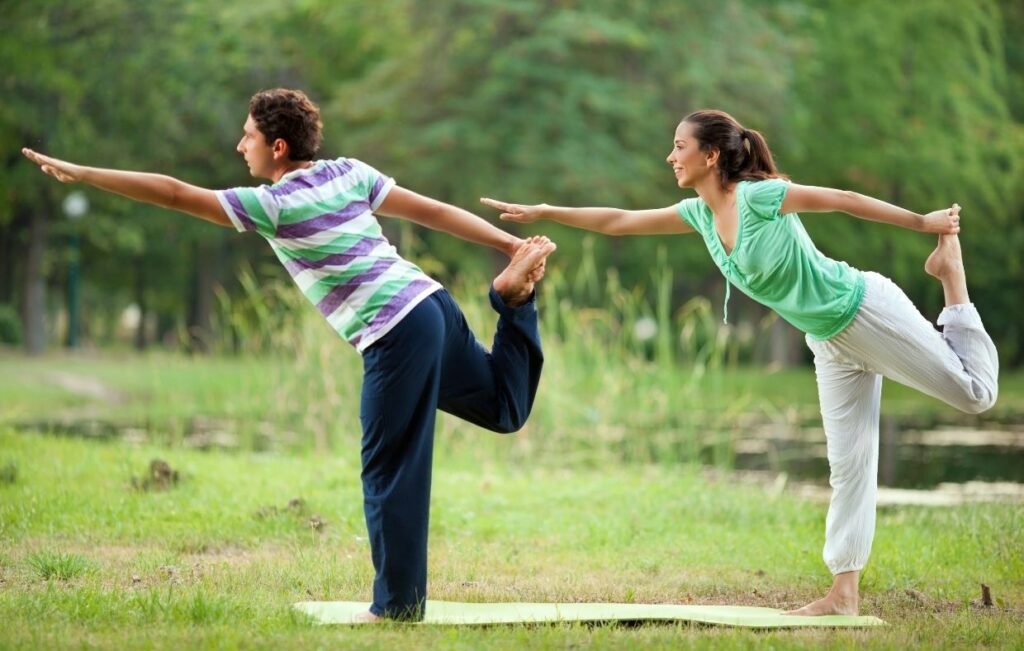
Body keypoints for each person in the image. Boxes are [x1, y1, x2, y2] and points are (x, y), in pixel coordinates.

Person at [23, 88, 557, 622]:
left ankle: (396, 609)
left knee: (389, 467)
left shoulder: (272, 205)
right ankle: (515, 301)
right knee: (500, 407)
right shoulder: (348, 172)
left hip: (394, 331)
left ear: (277, 147)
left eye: (248, 136)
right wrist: (509, 247)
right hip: (431, 305)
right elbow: (434, 211)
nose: (240, 146)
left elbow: (172, 192)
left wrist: (87, 173)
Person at [481, 108, 998, 616]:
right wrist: (544, 211)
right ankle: (844, 595)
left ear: (710, 155)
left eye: (679, 147)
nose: (670, 157)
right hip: (828, 341)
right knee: (850, 466)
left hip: (861, 310)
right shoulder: (700, 215)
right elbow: (618, 222)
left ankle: (951, 275)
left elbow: (842, 199)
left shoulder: (759, 197)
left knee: (976, 395)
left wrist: (920, 222)